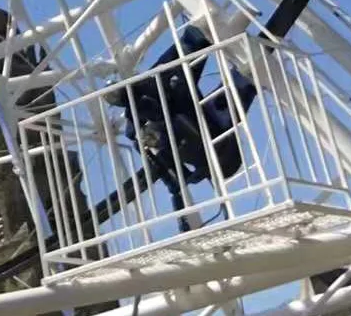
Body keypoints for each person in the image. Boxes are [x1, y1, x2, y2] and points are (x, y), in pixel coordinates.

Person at [108, 26, 257, 230]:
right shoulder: (139, 120)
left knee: (183, 83)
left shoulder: (149, 99)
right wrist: (181, 183)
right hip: (210, 145)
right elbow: (158, 161)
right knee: (194, 86)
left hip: (210, 140)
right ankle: (203, 47)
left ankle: (198, 44)